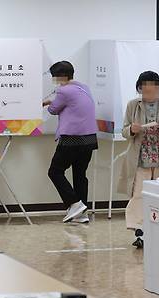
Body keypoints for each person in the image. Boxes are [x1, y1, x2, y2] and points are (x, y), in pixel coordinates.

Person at [120, 71, 159, 248]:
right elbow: (125, 131)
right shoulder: (133, 105)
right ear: (139, 88)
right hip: (140, 157)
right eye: (144, 90)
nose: (148, 93)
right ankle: (140, 231)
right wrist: (132, 129)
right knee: (138, 195)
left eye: (152, 89)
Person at [43, 61, 98, 224]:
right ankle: (82, 213)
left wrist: (48, 103)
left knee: (55, 171)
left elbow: (53, 110)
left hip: (72, 139)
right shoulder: (84, 88)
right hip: (89, 139)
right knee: (80, 175)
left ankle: (74, 204)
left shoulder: (63, 90)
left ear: (60, 76)